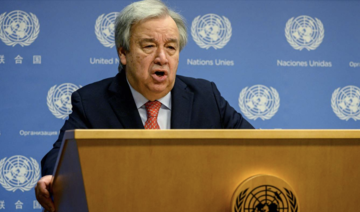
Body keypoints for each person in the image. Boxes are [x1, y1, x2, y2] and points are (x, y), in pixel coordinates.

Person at [35, 0, 254, 211]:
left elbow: (255, 146)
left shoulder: (206, 96)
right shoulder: (92, 101)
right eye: (149, 46)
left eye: (171, 47)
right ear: (123, 53)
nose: (162, 58)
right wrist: (54, 178)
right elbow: (60, 157)